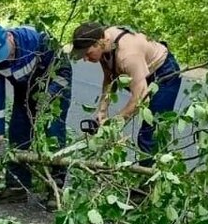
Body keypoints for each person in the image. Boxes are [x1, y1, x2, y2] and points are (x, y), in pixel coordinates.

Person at [0, 23, 72, 209]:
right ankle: (17, 187)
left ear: (9, 37)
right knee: (18, 133)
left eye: (5, 51)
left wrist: (49, 95)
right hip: (25, 91)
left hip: (54, 88)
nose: (6, 57)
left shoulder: (41, 41)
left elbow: (65, 72)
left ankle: (55, 188)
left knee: (53, 134)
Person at [69, 22, 182, 168]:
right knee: (148, 132)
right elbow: (110, 78)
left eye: (87, 53)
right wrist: (102, 110)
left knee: (150, 135)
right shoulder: (105, 45)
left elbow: (140, 97)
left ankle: (150, 177)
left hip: (164, 73)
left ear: (100, 43)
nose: (85, 59)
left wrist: (115, 123)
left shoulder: (127, 55)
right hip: (142, 72)